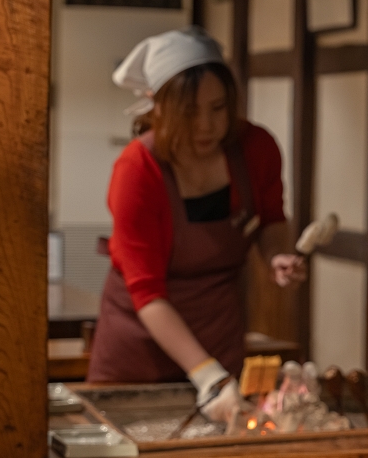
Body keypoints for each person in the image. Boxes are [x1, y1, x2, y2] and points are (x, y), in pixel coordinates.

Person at [87, 27, 335, 422]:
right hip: (141, 347)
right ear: (158, 107)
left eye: (218, 108)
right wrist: (207, 375)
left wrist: (275, 257)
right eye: (190, 111)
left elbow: (270, 220)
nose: (207, 125)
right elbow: (147, 293)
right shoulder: (137, 170)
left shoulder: (256, 149)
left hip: (219, 336)